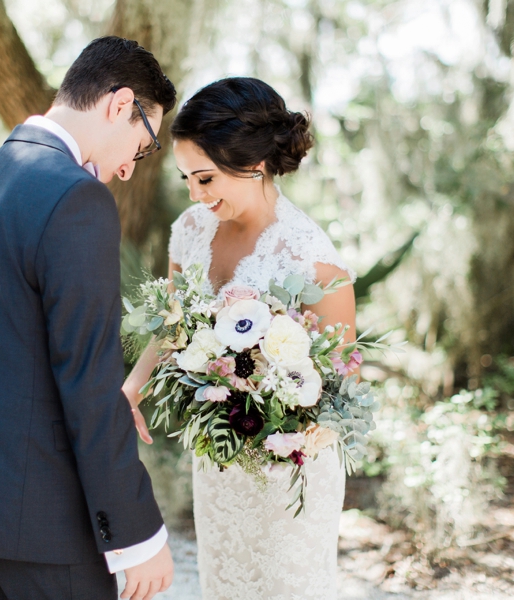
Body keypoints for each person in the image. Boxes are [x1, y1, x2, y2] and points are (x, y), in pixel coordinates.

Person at [0, 36, 177, 600]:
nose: (130, 168)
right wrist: (138, 535)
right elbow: (88, 379)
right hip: (40, 524)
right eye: (144, 141)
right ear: (119, 103)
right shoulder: (75, 198)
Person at [123, 77, 357, 599]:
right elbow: (174, 321)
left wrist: (283, 419)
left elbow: (345, 379)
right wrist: (133, 387)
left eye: (204, 178)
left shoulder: (311, 257)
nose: (194, 195)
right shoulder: (189, 229)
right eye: (185, 178)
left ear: (253, 164)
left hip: (290, 471)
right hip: (218, 457)